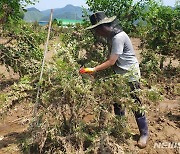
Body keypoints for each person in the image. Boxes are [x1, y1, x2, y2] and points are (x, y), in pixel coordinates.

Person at [79, 11, 148, 148]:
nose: (97, 32)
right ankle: (120, 130)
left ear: (104, 26)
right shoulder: (111, 38)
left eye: (97, 29)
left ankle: (144, 134)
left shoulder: (118, 37)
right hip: (119, 75)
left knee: (136, 103)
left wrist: (93, 69)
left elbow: (111, 61)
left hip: (130, 74)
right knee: (118, 104)